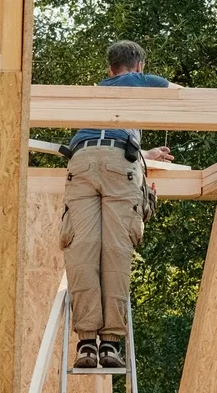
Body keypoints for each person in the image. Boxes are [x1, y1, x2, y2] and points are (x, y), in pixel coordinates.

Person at [59, 41, 173, 371]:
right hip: (118, 165)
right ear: (138, 67)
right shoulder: (138, 81)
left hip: (82, 162)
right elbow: (181, 93)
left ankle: (85, 345)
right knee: (115, 250)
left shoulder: (97, 94)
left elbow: (106, 139)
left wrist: (144, 153)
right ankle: (109, 342)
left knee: (82, 249)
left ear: (109, 70)